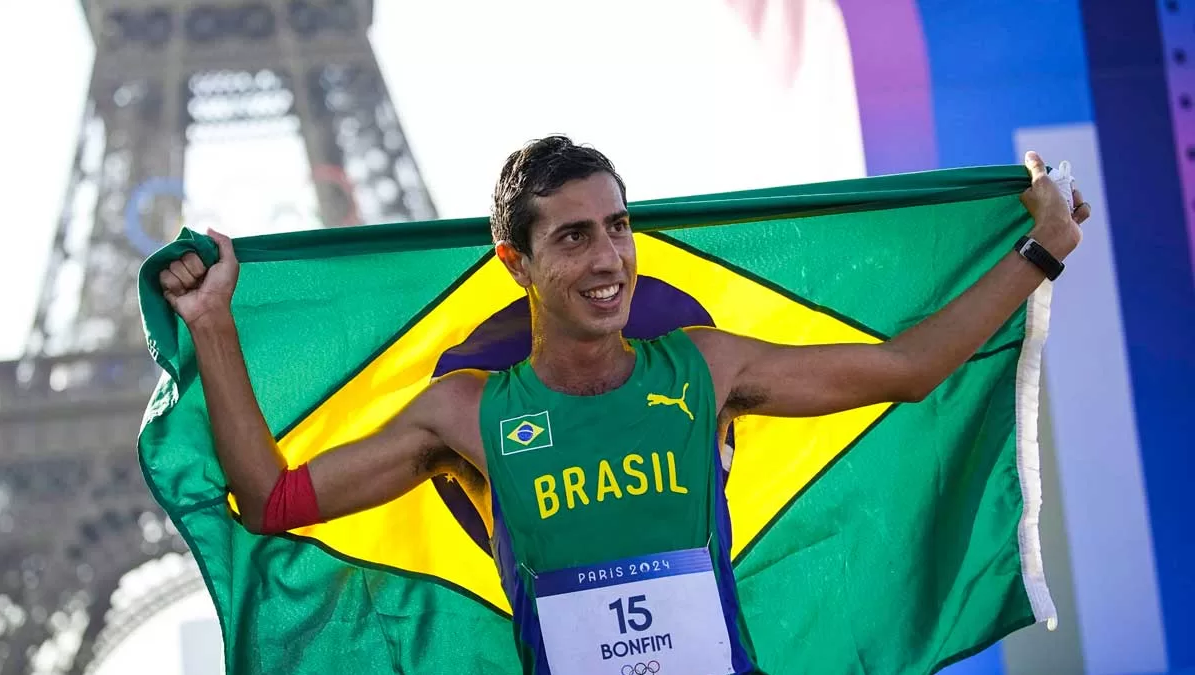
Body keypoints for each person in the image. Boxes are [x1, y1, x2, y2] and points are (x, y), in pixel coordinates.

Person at [159, 136, 1091, 675]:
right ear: (514, 262)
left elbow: (906, 368)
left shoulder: (704, 368)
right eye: (573, 238)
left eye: (618, 227)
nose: (608, 260)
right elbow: (270, 498)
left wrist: (1041, 251)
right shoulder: (465, 414)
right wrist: (212, 325)